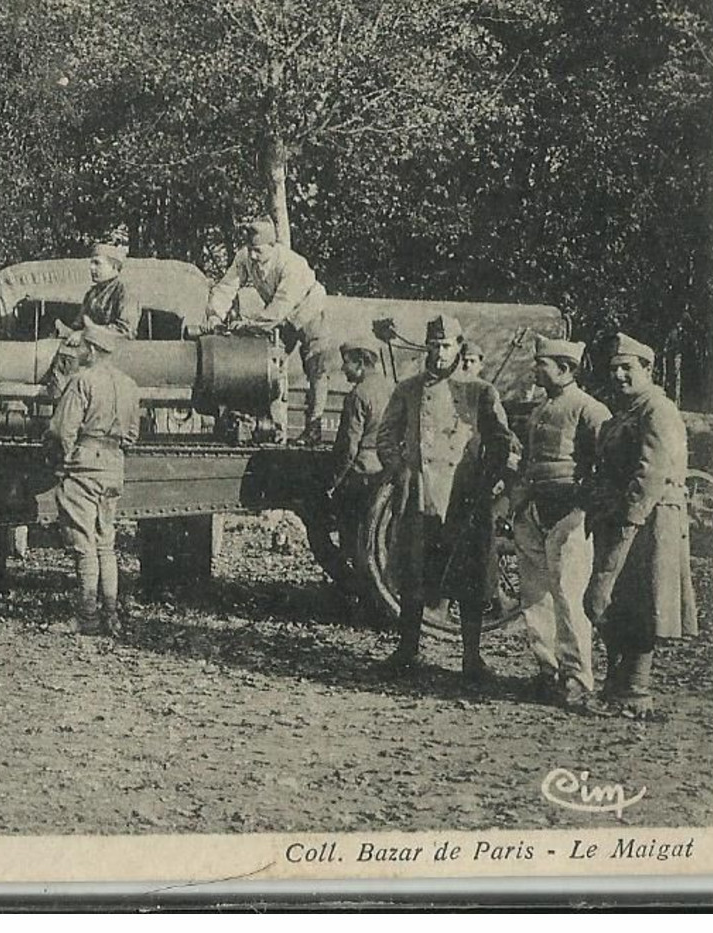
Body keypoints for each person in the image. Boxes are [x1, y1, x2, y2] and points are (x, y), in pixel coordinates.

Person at [376, 314, 518, 685]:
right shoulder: (407, 390)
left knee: (469, 577)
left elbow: (501, 440)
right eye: (434, 346)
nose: (439, 353)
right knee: (414, 575)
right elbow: (386, 436)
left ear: (459, 347)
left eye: (447, 345)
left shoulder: (479, 391)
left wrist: (484, 481)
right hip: (421, 494)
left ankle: (472, 658)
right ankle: (408, 652)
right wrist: (401, 470)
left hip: (463, 498)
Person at [584, 332, 698, 720]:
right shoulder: (628, 412)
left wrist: (628, 520)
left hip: (649, 520)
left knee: (639, 602)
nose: (619, 376)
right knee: (614, 600)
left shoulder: (657, 411)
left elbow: (651, 473)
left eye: (627, 369)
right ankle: (619, 688)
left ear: (647, 369)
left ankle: (634, 691)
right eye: (614, 369)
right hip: (622, 515)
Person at [512, 337, 610, 709]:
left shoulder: (589, 409)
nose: (537, 370)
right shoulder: (541, 410)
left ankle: (578, 678)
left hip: (571, 515)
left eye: (543, 364)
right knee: (535, 595)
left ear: (566, 369)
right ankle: (548, 671)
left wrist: (585, 506)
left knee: (569, 597)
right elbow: (529, 461)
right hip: (535, 511)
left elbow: (608, 463)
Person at [45, 322, 141, 636]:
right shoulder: (129, 384)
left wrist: (69, 457)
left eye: (84, 346)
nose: (81, 351)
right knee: (106, 543)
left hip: (85, 465)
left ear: (94, 350)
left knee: (83, 544)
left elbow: (61, 430)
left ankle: (86, 617)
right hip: (115, 466)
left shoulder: (83, 381)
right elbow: (132, 435)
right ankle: (111, 616)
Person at [204, 218, 331, 445]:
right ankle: (274, 428)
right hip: (278, 314)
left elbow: (280, 308)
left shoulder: (291, 264)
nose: (253, 256)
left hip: (308, 308)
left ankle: (314, 426)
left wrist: (249, 325)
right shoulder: (244, 258)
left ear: (273, 246)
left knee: (316, 367)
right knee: (269, 366)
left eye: (258, 251)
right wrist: (215, 315)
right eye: (251, 250)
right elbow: (226, 287)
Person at [326, 337, 394, 591]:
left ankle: (354, 591)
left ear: (361, 362)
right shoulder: (393, 388)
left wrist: (333, 482)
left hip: (361, 474)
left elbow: (348, 448)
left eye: (347, 363)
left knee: (352, 540)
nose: (343, 369)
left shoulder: (357, 396)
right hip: (386, 474)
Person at [44, 241, 142, 398]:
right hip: (91, 350)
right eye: (91, 263)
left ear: (114, 267)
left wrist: (84, 334)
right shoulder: (92, 293)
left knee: (68, 355)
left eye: (97, 264)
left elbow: (126, 330)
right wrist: (64, 329)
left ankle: (62, 400)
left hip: (114, 352)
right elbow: (79, 325)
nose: (92, 268)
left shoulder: (124, 291)